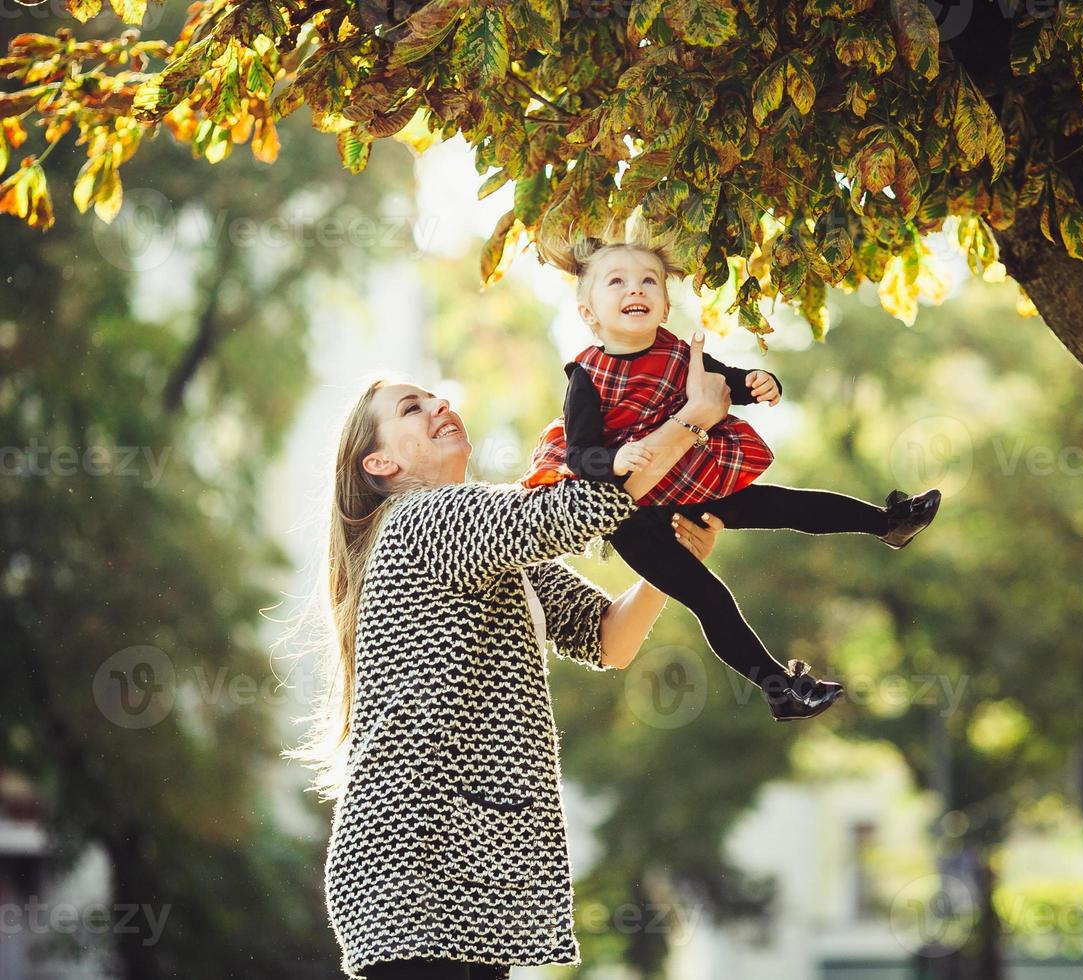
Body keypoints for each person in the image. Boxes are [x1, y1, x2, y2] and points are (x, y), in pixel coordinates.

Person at [288, 363, 730, 980]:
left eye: (434, 397)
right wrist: (691, 421)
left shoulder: (487, 541)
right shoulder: (424, 520)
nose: (438, 404)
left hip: (476, 860)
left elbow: (609, 639)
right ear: (381, 464)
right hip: (412, 862)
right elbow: (587, 504)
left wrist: (674, 561)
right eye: (412, 409)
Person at [519, 232, 943, 723]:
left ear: (662, 305)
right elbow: (580, 454)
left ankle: (887, 523)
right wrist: (615, 460)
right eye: (617, 282)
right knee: (709, 597)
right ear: (588, 312)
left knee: (782, 504)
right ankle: (779, 688)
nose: (635, 290)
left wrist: (758, 383)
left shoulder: (679, 354)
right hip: (633, 517)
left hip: (689, 485)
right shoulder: (586, 377)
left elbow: (728, 383)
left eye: (648, 282)